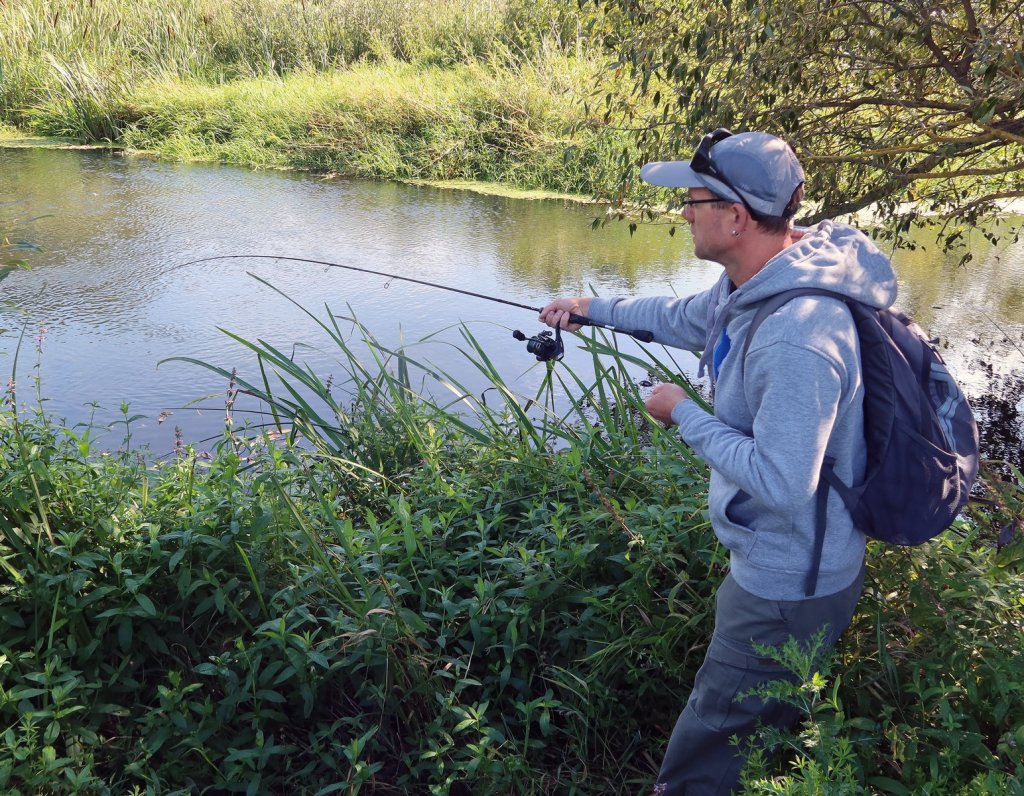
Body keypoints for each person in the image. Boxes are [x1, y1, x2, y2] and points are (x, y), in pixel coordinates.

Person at [539, 129, 898, 795]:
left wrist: (683, 413)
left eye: (694, 200)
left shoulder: (797, 336)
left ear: (735, 217)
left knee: (713, 736)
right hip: (793, 564)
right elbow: (685, 317)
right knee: (759, 729)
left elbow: (783, 485)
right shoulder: (760, 279)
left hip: (787, 581)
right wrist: (591, 310)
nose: (683, 212)